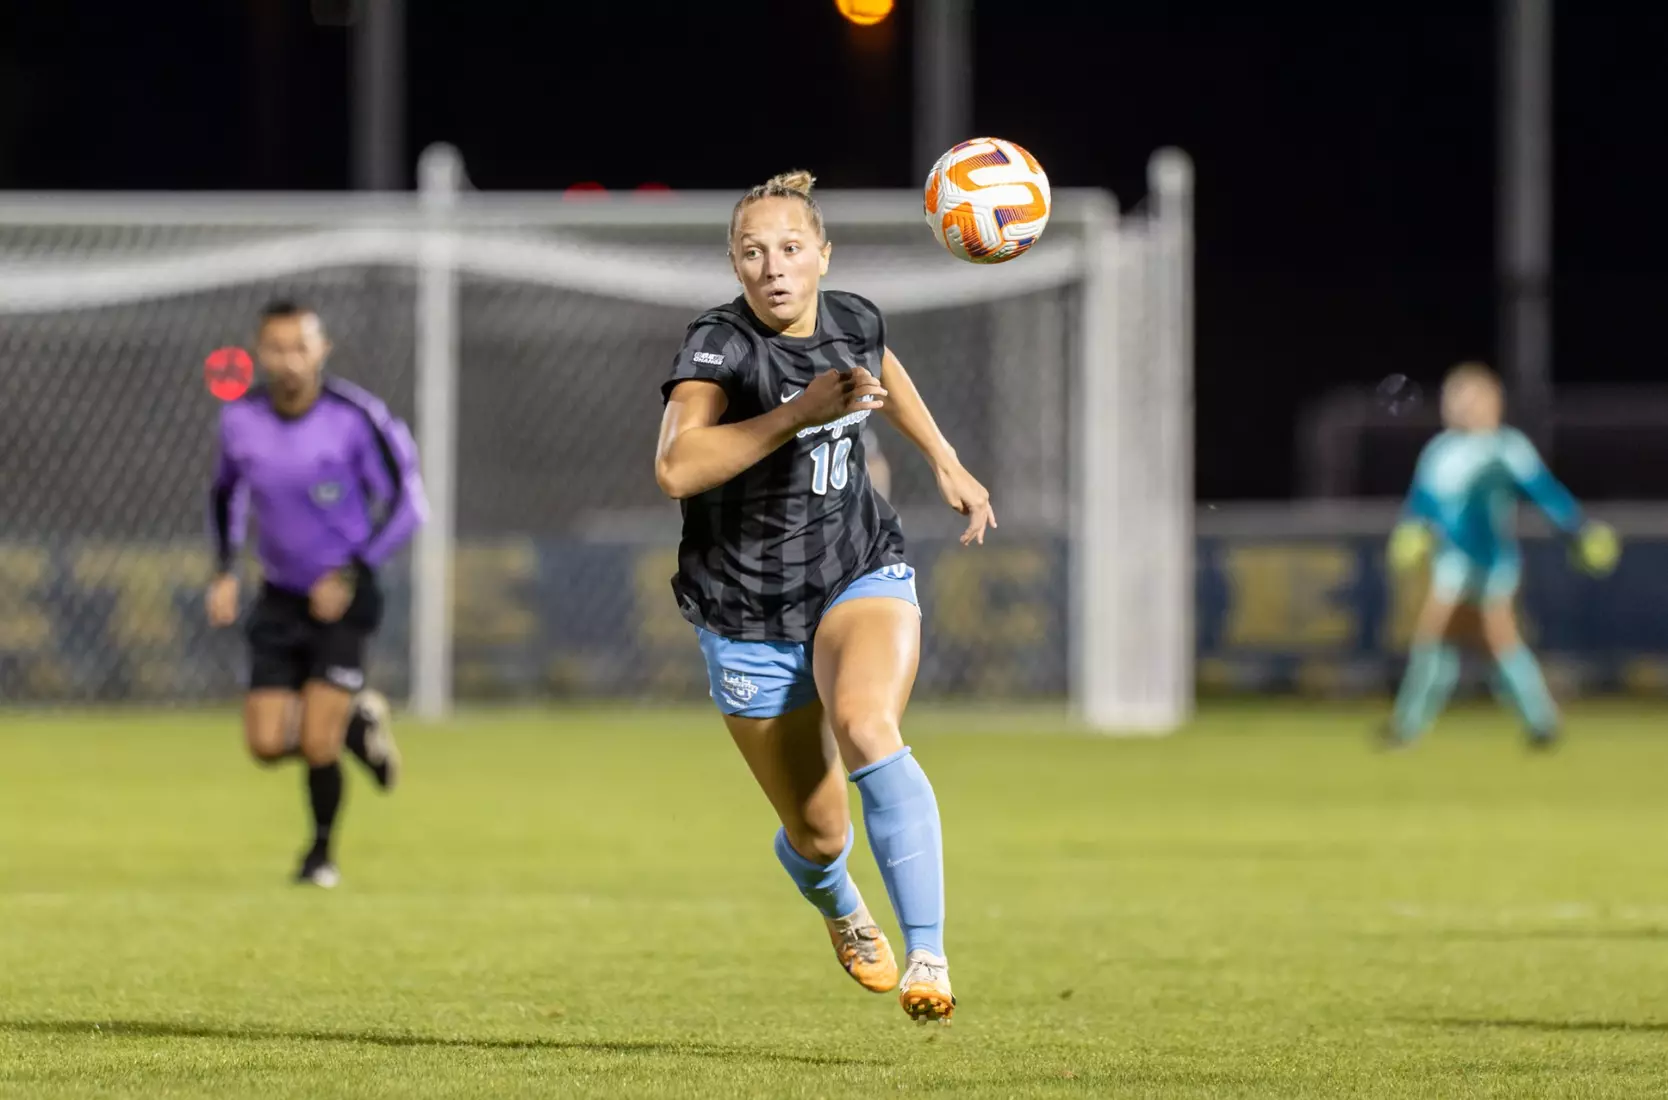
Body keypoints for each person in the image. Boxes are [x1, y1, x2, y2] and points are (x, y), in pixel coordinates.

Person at [655, 170, 995, 1023]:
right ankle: (842, 904)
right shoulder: (717, 348)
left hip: (857, 569)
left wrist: (944, 459)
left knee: (869, 725)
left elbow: (882, 365)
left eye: (791, 250)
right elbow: (675, 468)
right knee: (818, 835)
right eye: (753, 253)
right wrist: (795, 414)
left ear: (822, 256)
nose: (773, 267)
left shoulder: (852, 316)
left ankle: (930, 956)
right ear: (735, 265)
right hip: (745, 612)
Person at [207, 300, 428, 887]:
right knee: (265, 744)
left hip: (344, 597)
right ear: (260, 352)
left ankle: (320, 856)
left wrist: (352, 572)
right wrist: (225, 569)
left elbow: (409, 506)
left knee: (316, 740)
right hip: (279, 595)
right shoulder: (240, 421)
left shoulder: (357, 417)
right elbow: (226, 495)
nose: (288, 360)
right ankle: (357, 717)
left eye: (300, 347)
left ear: (321, 349)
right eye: (276, 348)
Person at [1382, 362, 1617, 750]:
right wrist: (1409, 531)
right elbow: (1421, 503)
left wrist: (1577, 529)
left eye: (1470, 397)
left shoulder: (1505, 447)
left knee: (1462, 640)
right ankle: (1539, 724)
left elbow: (1544, 492)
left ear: (1493, 403)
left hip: (1491, 564)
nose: (1459, 405)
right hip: (1452, 562)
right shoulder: (1440, 451)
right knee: (1464, 643)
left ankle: (1410, 728)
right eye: (1454, 397)